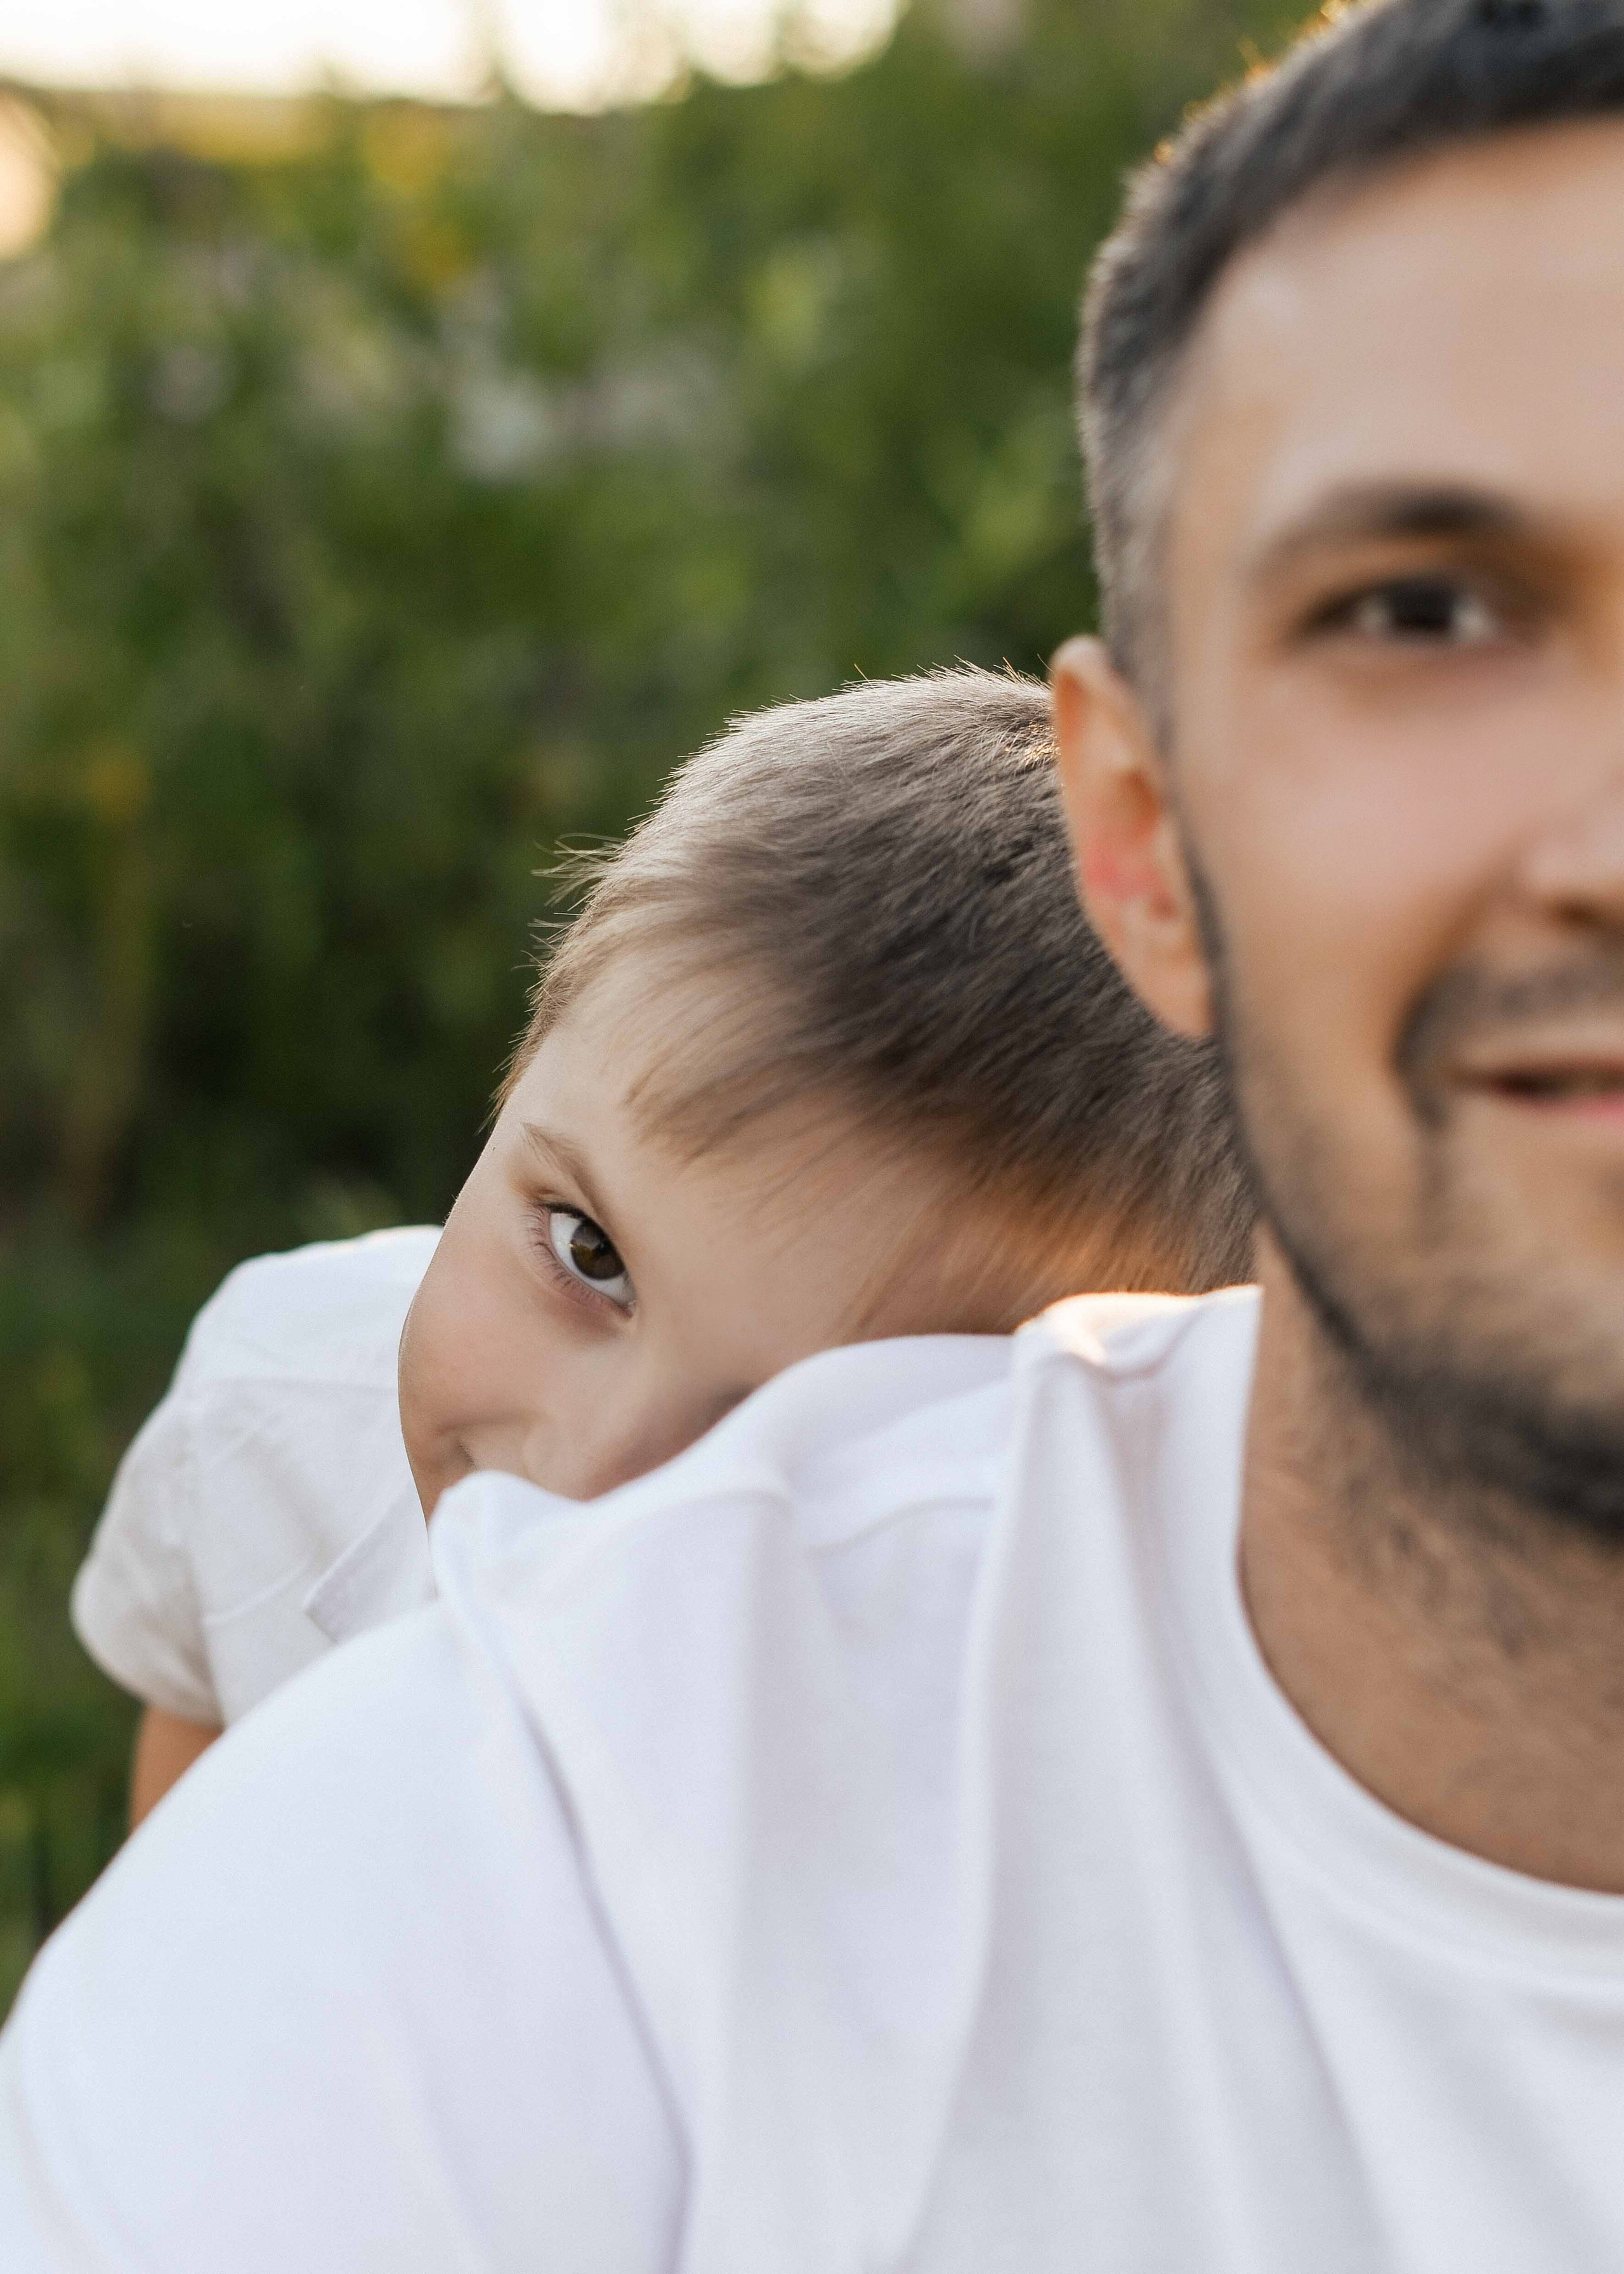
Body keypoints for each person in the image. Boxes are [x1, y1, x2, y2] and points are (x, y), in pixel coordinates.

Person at [11, 0, 1624, 2265]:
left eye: (841, 1417)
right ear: (1154, 844)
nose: (614, 1497)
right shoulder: (448, 1818)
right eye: (1422, 614)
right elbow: (198, 1902)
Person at [70, 667, 1250, 1826]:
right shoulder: (270, 1425)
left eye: (815, 1424)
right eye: (590, 1254)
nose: (585, 1489)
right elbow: (183, 1864)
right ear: (520, 1073)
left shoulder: (1037, 1799)